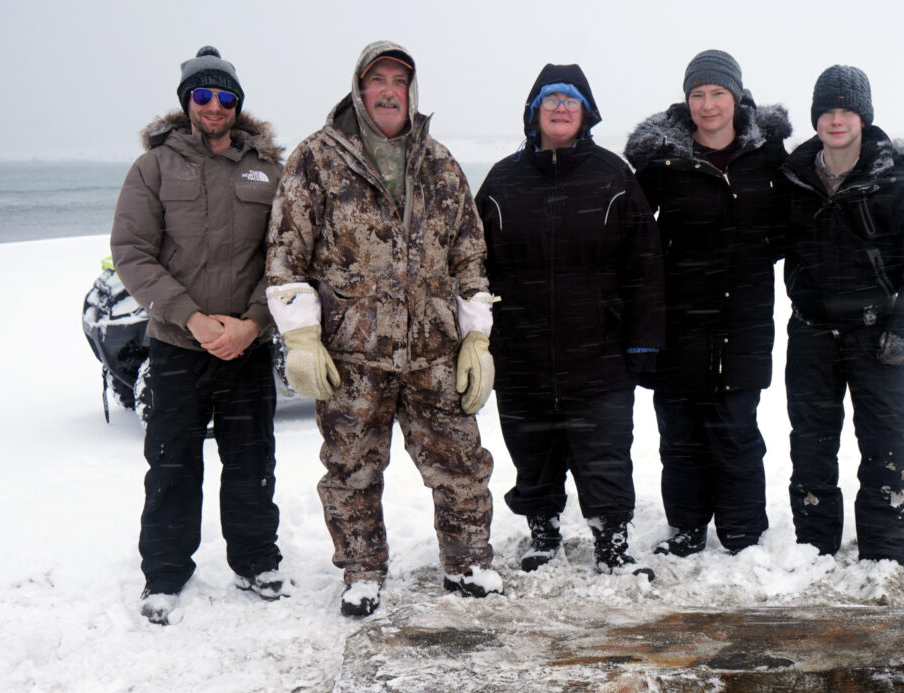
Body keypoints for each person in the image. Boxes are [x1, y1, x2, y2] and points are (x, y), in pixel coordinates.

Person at [266, 41, 500, 617]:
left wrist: (476, 336)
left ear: (411, 91)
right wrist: (300, 336)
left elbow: (469, 254)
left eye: (400, 79)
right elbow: (285, 252)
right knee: (351, 470)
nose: (390, 89)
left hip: (433, 353)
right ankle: (362, 573)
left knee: (462, 465)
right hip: (353, 356)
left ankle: (468, 563)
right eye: (379, 80)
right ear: (359, 88)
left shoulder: (440, 163)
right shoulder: (316, 160)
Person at [111, 46, 286, 626]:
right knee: (171, 463)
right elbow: (132, 253)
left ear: (238, 103)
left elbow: (286, 257)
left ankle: (257, 561)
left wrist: (254, 321)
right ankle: (164, 574)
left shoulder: (269, 169)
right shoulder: (153, 168)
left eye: (225, 96)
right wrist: (191, 317)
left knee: (252, 459)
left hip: (248, 346)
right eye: (203, 95)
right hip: (178, 345)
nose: (215, 105)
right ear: (188, 101)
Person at [477, 64, 664, 578]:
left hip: (599, 350)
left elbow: (645, 265)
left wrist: (644, 340)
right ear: (535, 111)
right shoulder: (500, 182)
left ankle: (612, 543)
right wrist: (478, 339)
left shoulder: (613, 176)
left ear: (586, 113)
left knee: (603, 451)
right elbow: (472, 266)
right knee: (533, 449)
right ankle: (542, 533)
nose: (561, 107)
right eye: (551, 98)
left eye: (571, 99)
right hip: (521, 349)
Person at [777, 64, 904, 564]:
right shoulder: (793, 179)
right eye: (827, 110)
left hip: (877, 336)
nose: (836, 119)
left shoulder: (896, 182)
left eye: (846, 109)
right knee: (810, 445)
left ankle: (885, 552)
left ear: (864, 116)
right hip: (810, 333)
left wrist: (903, 329)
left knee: (888, 445)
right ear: (815, 118)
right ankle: (814, 549)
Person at [624, 50, 790, 558]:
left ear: (736, 96)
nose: (707, 104)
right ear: (686, 100)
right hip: (677, 317)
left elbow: (795, 225)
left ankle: (742, 534)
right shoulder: (661, 160)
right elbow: (629, 233)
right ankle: (687, 530)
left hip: (743, 317)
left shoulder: (769, 156)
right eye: (697, 94)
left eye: (717, 93)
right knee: (680, 434)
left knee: (736, 430)